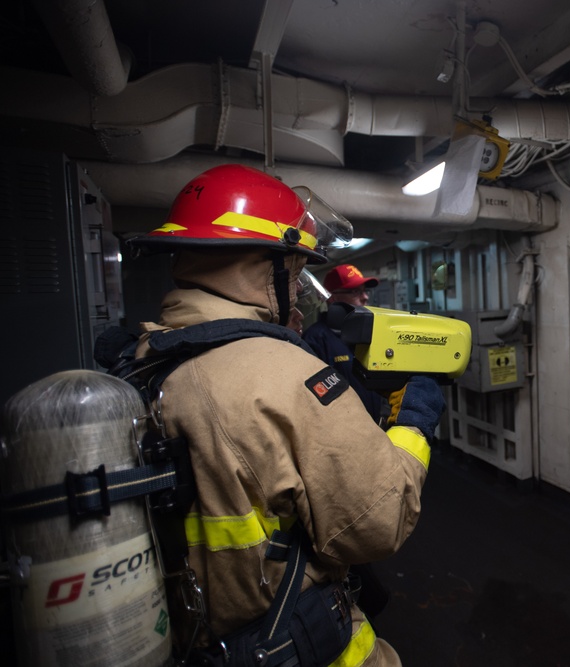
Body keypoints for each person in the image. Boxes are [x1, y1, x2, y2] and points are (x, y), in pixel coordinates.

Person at [125, 163, 444, 666]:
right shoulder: (283, 374)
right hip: (296, 645)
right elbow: (379, 522)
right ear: (262, 266)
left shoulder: (148, 356)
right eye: (294, 273)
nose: (296, 290)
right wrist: (416, 422)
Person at [303, 264, 388, 425]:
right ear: (332, 298)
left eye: (365, 291)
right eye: (355, 292)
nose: (365, 297)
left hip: (376, 426)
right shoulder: (316, 339)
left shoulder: (372, 334)